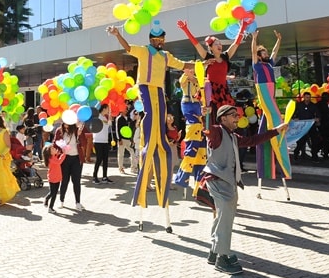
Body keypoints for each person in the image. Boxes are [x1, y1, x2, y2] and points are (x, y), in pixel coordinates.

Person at [108, 23, 193, 212]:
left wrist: (203, 65)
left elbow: (182, 64)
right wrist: (117, 34)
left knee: (160, 117)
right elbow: (128, 47)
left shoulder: (165, 56)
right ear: (151, 40)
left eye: (161, 40)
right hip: (145, 87)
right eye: (156, 40)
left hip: (159, 90)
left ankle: (159, 142)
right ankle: (148, 143)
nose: (159, 42)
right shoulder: (144, 51)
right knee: (150, 115)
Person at [204, 104, 287, 274]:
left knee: (222, 217)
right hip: (219, 182)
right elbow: (206, 129)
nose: (237, 117)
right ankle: (222, 258)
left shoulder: (233, 136)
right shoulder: (217, 131)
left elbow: (253, 141)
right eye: (233, 115)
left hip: (227, 182)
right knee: (225, 220)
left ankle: (214, 252)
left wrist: (276, 131)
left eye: (237, 114)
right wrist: (205, 115)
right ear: (223, 118)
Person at [177, 19, 244, 124]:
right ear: (211, 48)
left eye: (220, 43)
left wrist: (243, 27)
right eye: (216, 44)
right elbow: (196, 44)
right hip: (210, 90)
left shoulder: (226, 56)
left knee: (226, 116)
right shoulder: (207, 57)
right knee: (212, 117)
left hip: (223, 91)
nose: (219, 45)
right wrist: (185, 29)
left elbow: (236, 43)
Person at [250, 29, 291, 179]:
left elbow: (275, 51)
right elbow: (253, 51)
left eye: (267, 53)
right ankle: (280, 132)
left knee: (272, 114)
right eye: (264, 53)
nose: (267, 55)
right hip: (263, 89)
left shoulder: (269, 64)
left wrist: (279, 39)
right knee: (274, 113)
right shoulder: (257, 65)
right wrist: (254, 39)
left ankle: (274, 135)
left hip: (271, 88)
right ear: (260, 55)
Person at [54, 120, 87, 210]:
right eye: (64, 123)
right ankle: (61, 201)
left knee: (76, 181)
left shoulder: (77, 130)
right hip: (64, 159)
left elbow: (84, 143)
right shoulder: (59, 131)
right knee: (64, 181)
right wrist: (60, 149)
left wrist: (80, 134)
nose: (65, 125)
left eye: (67, 123)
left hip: (76, 158)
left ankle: (78, 202)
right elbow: (55, 144)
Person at [293, 92, 318, 160]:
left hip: (311, 125)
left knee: (315, 140)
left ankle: (314, 155)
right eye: (306, 97)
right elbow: (294, 113)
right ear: (303, 97)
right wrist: (295, 118)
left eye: (309, 97)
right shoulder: (299, 105)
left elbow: (317, 114)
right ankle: (296, 153)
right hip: (302, 126)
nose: (308, 99)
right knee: (301, 141)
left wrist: (317, 119)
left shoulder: (313, 105)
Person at [92, 104, 113, 183]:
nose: (108, 110)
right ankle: (95, 177)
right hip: (98, 141)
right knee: (99, 159)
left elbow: (108, 126)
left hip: (105, 141)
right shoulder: (97, 117)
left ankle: (104, 177)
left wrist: (109, 120)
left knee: (105, 160)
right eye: (108, 108)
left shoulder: (104, 117)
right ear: (104, 109)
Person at [43, 143, 65, 213]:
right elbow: (59, 162)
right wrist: (64, 154)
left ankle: (50, 207)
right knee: (53, 193)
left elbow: (56, 159)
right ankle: (47, 200)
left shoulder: (53, 157)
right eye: (52, 149)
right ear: (49, 152)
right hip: (52, 178)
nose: (55, 149)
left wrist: (58, 154)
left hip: (57, 178)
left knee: (54, 193)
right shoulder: (50, 159)